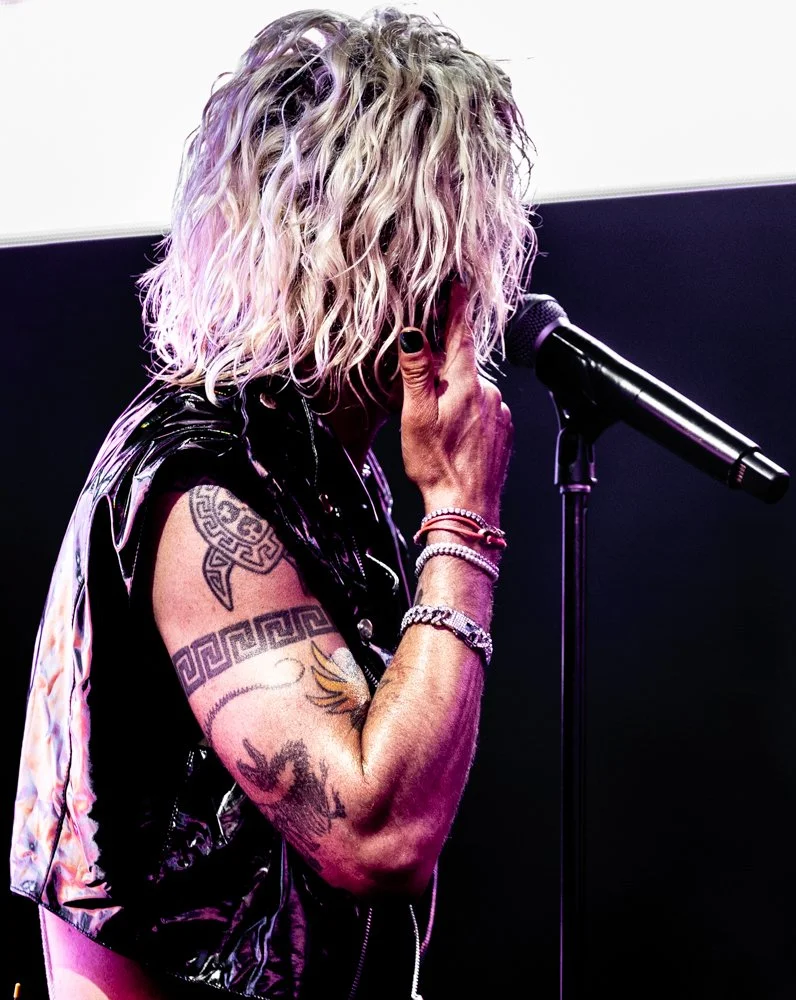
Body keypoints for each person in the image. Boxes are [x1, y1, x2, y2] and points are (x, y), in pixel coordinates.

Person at [10, 7, 534, 998]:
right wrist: (462, 519)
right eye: (453, 239)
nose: (475, 284)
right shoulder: (201, 481)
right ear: (386, 254)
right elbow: (375, 835)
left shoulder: (321, 471)